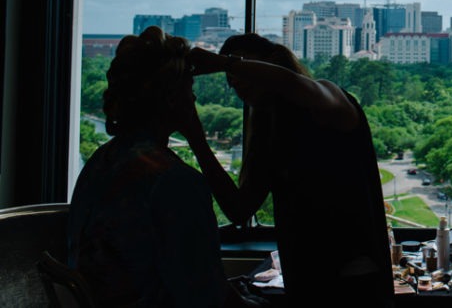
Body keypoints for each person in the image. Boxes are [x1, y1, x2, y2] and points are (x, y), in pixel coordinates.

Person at [183, 34, 393, 307]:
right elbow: (238, 208)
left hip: (353, 278)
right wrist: (196, 139)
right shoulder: (272, 133)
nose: (238, 82)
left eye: (245, 69)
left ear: (273, 65)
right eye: (233, 81)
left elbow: (292, 84)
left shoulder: (328, 98)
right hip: (309, 280)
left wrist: (227, 63)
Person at [68, 26, 248, 307]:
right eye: (190, 90)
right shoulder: (176, 183)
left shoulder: (100, 162)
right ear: (172, 99)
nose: (196, 100)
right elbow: (206, 296)